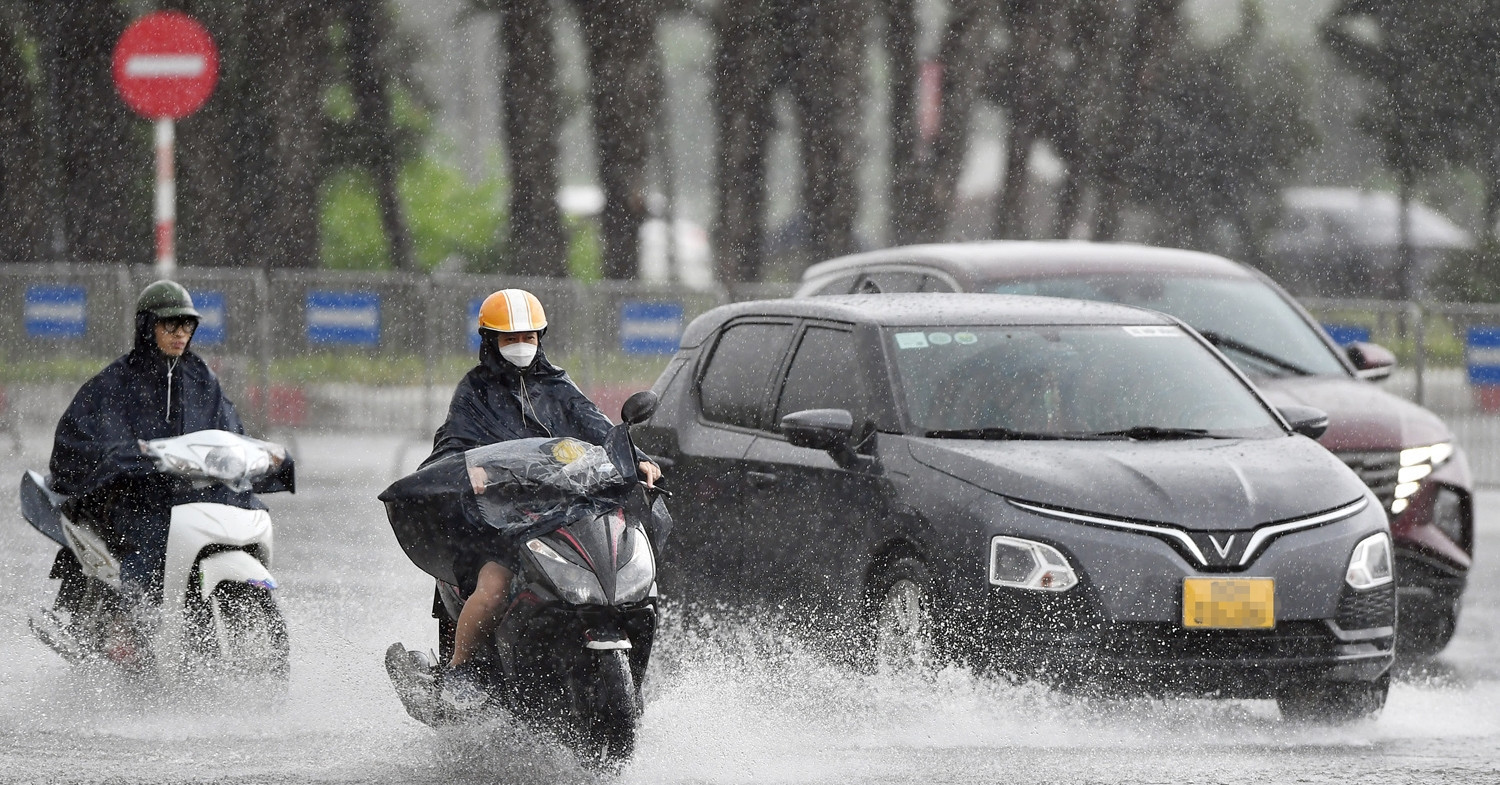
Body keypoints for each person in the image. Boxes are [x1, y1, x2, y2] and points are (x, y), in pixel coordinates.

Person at [423, 288, 659, 711]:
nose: (521, 345)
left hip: (567, 505)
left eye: (528, 337)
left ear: (541, 338)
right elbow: (453, 443)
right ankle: (459, 674)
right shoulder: (475, 391)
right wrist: (469, 470)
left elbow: (599, 429)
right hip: (507, 513)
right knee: (494, 586)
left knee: (624, 567)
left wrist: (637, 459)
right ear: (490, 341)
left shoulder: (558, 385)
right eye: (510, 338)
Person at [47, 281, 288, 626]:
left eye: (187, 324)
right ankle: (131, 621)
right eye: (170, 324)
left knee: (242, 508)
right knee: (151, 538)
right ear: (148, 326)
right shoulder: (115, 382)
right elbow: (89, 441)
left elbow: (229, 432)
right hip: (136, 496)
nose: (180, 333)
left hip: (192, 493)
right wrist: (129, 458)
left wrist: (258, 457)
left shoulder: (203, 379)